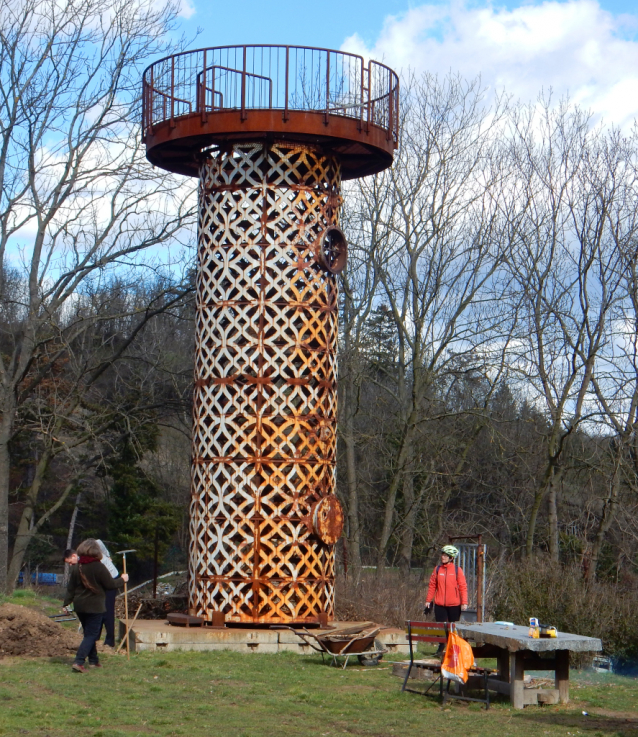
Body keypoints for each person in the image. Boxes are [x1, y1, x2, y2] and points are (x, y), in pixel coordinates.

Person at [62, 538, 128, 673]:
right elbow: (110, 585)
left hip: (79, 606)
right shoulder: (99, 567)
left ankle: (94, 660)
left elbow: (71, 588)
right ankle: (79, 661)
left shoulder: (76, 567)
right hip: (95, 607)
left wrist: (66, 603)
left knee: (88, 633)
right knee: (91, 635)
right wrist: (123, 579)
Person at [424, 545, 468, 652]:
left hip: (454, 604)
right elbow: (432, 586)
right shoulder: (437, 569)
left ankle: (453, 648)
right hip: (440, 604)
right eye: (442, 555)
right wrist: (428, 600)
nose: (442, 557)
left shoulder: (457, 570)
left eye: (445, 555)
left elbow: (463, 587)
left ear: (451, 558)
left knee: (453, 628)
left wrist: (464, 602)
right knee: (441, 627)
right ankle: (441, 647)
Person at [96, 540, 119, 648]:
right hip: (102, 581)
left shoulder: (94, 545)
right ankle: (96, 637)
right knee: (99, 609)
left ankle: (110, 641)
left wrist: (108, 555)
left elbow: (99, 542)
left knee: (107, 611)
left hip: (112, 578)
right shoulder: (84, 561)